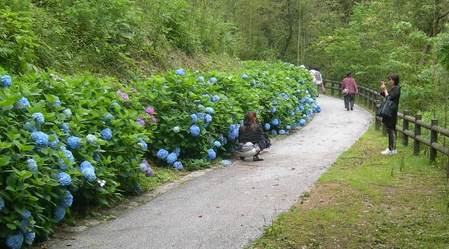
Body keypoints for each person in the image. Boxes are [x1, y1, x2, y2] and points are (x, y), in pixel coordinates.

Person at [380, 74, 401, 155]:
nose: (389, 81)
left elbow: (389, 97)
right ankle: (391, 148)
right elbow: (385, 96)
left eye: (390, 80)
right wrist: (382, 89)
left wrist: (385, 90)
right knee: (389, 129)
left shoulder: (397, 88)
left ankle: (392, 149)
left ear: (394, 80)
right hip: (389, 111)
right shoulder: (393, 88)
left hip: (392, 111)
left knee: (391, 129)